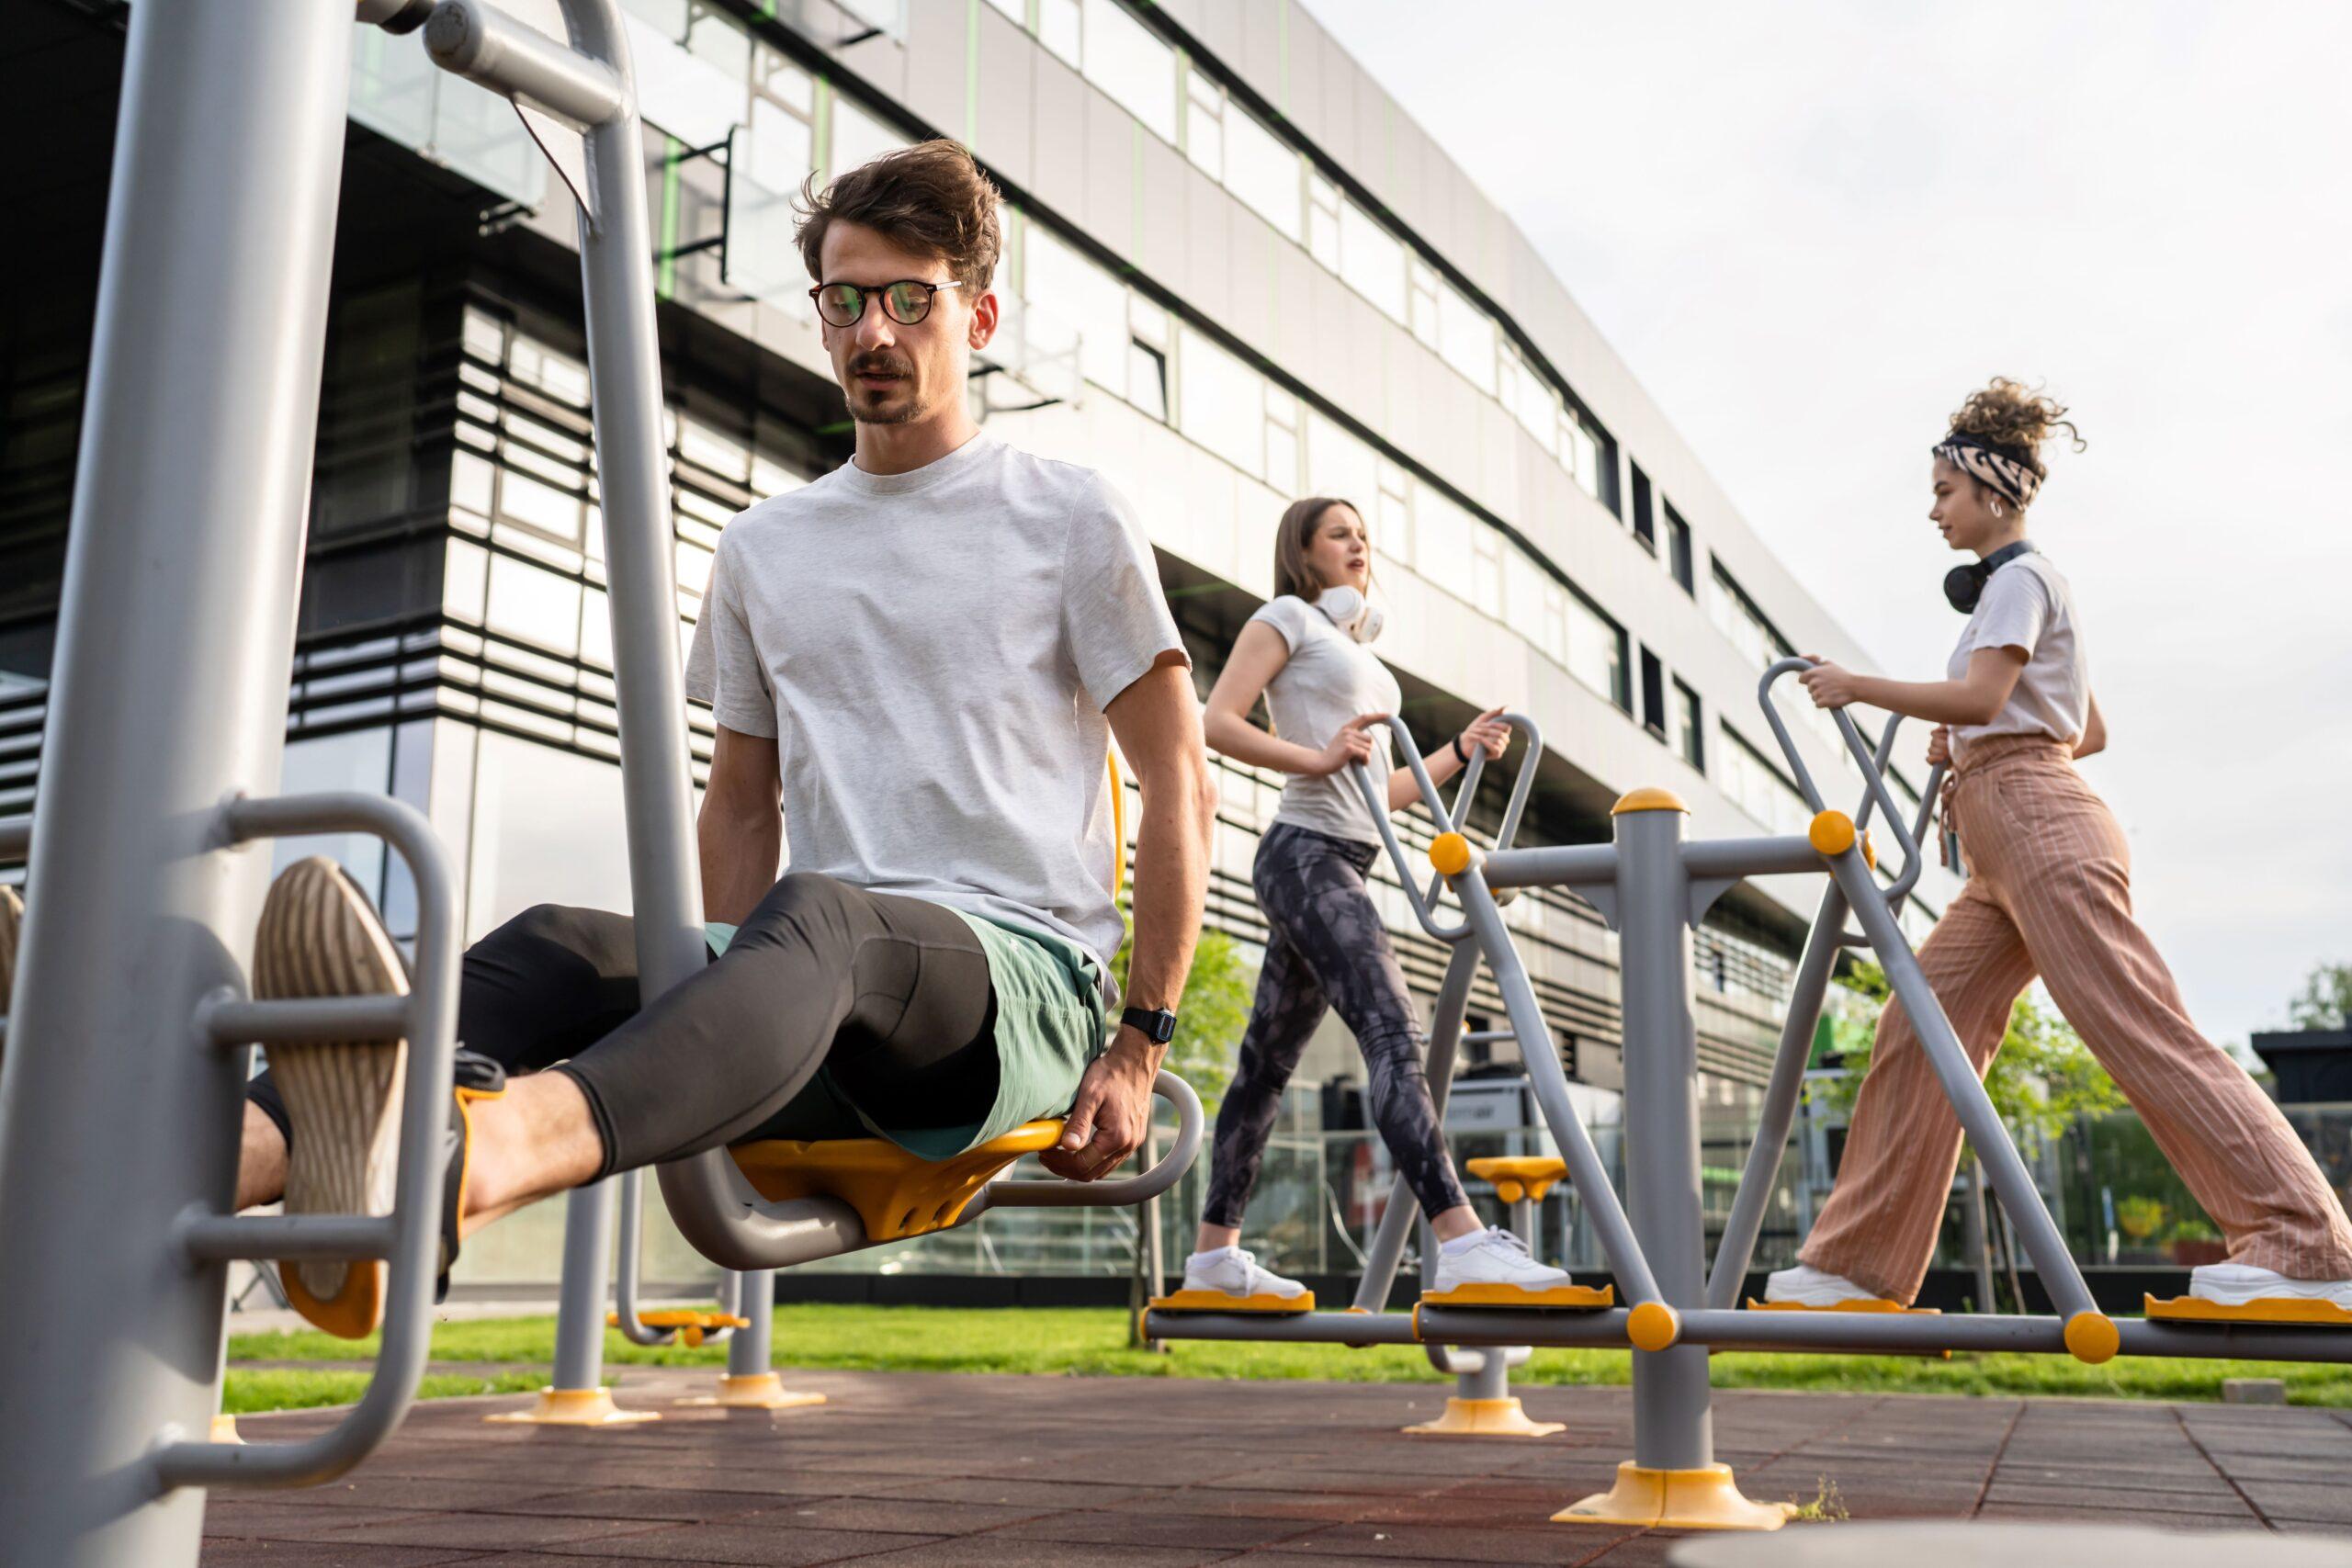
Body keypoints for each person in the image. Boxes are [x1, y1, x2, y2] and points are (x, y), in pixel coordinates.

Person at [223, 141, 1217, 1337]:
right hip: (818, 982)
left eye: (912, 299)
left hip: (1019, 992)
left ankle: (462, 1161)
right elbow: (741, 805)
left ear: (979, 315)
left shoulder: (1068, 511)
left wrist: (1141, 1044)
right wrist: (715, 1008)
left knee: (823, 915)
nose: (874, 331)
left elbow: (1178, 784)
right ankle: (209, 1162)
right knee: (547, 948)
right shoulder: (766, 546)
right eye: (845, 301)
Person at [1766, 378, 2352, 1311]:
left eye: (1942, 493)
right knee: (1920, 1025)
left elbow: (1990, 703)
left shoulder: (2021, 578)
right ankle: (1857, 1267)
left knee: (2132, 1020)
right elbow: (2086, 726)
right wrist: (1967, 736)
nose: (1932, 511)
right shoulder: (2009, 598)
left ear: (1991, 493)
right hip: (2004, 835)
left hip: (2038, 823)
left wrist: (1872, 690)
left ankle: (2304, 1244)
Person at [1177, 496, 1572, 1303]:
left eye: (1364, 534)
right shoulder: (1287, 616)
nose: (1359, 544)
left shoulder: (1358, 652)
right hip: (1303, 856)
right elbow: (1215, 721)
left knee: (1264, 1064)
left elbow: (1381, 790)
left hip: (1344, 859)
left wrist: (1457, 751)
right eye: (1341, 534)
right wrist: (1315, 760)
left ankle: (1214, 1258)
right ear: (1305, 551)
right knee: (1393, 1028)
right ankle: (1461, 1241)